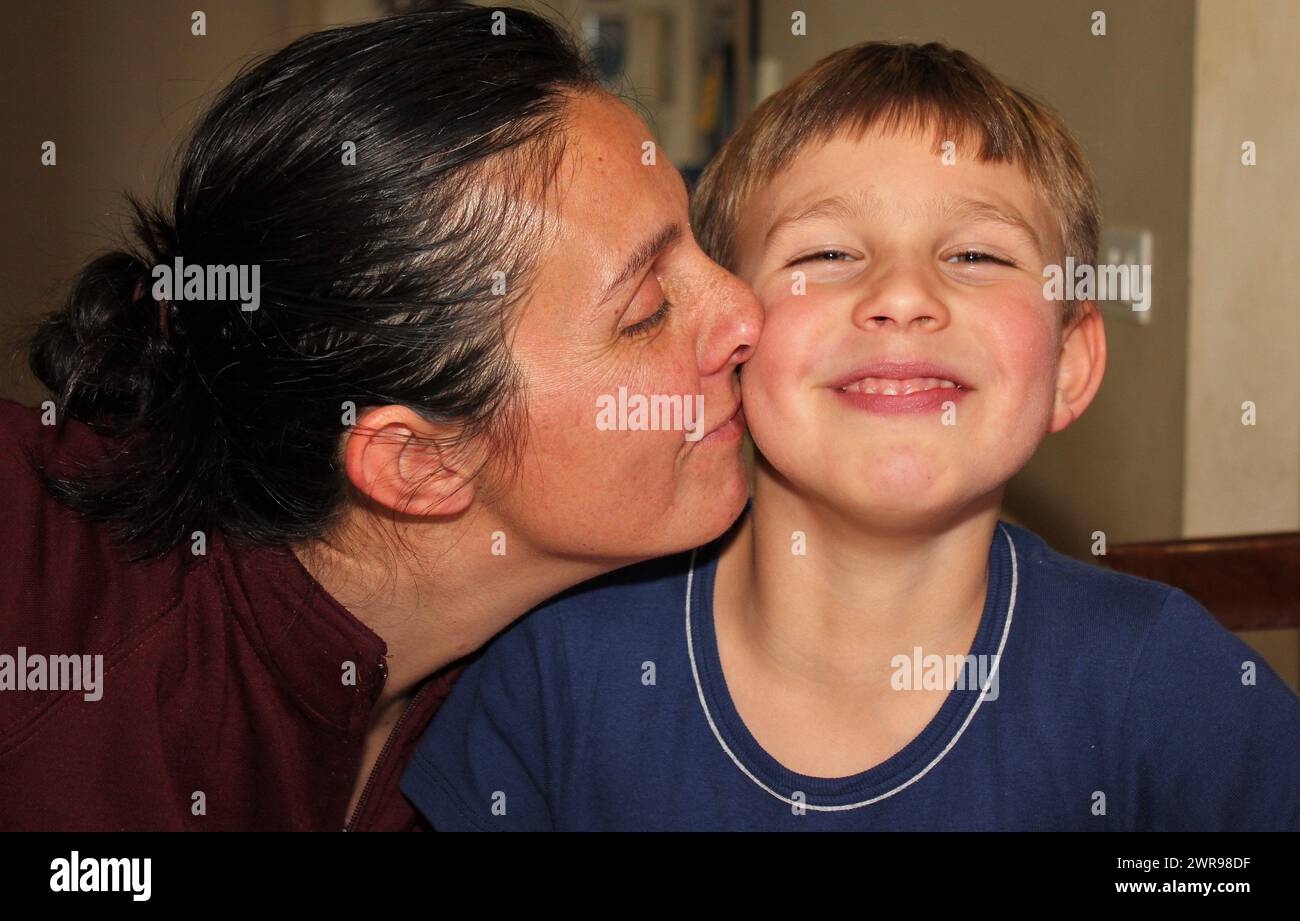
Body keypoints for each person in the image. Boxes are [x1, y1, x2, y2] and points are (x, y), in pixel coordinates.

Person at [401, 41, 1300, 831]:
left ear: (1069, 363)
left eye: (977, 255)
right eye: (825, 254)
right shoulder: (556, 667)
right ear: (732, 333)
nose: (904, 294)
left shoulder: (1169, 684)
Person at [0, 5, 761, 830]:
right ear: (419, 462)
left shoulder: (556, 687)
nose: (744, 310)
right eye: (648, 307)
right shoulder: (37, 603)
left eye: (697, 243)